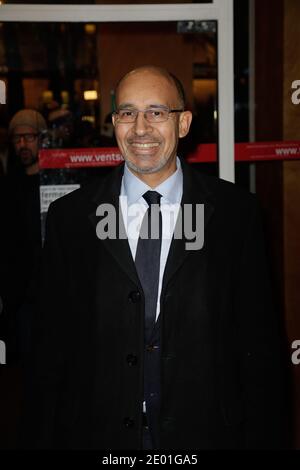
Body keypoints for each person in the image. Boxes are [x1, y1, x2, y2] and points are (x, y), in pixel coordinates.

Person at [22, 66, 287, 450]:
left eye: (157, 112)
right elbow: (50, 352)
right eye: (127, 113)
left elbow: (258, 349)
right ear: (114, 123)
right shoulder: (72, 218)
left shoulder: (235, 215)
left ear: (183, 123)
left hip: (205, 433)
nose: (140, 128)